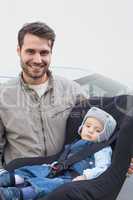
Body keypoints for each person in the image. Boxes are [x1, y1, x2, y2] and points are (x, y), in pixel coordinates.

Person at [0, 22, 86, 170]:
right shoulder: (3, 95)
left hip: (62, 179)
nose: (38, 60)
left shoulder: (73, 91)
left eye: (44, 52)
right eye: (30, 51)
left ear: (51, 53)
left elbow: (98, 134)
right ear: (19, 50)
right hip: (20, 184)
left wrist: (122, 158)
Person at [0, 107, 117, 200]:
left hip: (72, 177)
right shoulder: (77, 142)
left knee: (49, 184)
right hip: (57, 168)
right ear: (82, 127)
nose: (90, 131)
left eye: (97, 130)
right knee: (32, 170)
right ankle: (6, 179)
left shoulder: (101, 149)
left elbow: (103, 167)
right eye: (88, 126)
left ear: (104, 135)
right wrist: (53, 165)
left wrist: (86, 176)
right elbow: (65, 158)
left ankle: (14, 194)